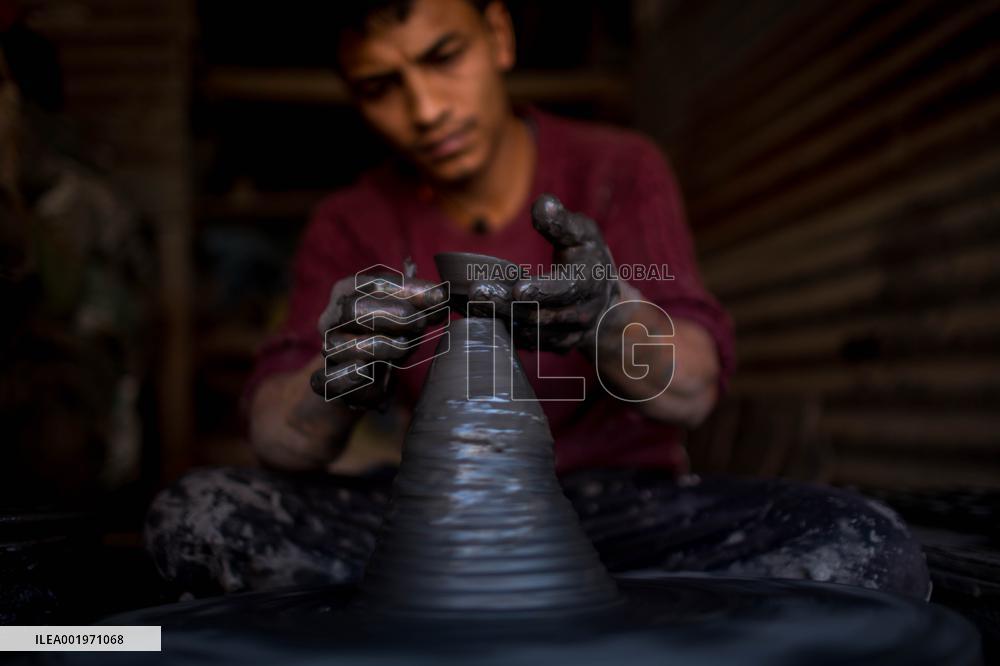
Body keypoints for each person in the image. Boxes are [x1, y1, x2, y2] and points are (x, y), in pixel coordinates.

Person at [144, 0, 930, 600]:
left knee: (860, 546)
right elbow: (279, 440)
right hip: (438, 505)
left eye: (443, 57)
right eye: (382, 87)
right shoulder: (351, 222)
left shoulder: (617, 169)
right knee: (198, 517)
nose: (424, 110)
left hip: (620, 504)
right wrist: (336, 379)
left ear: (499, 36)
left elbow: (691, 389)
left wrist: (609, 317)